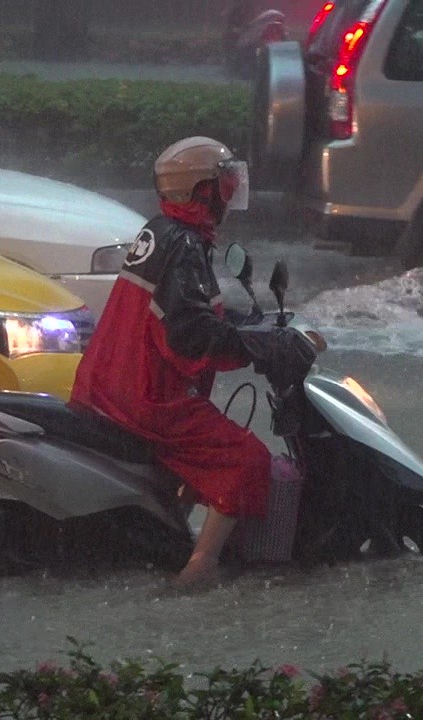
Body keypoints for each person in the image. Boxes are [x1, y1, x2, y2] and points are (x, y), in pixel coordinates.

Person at [69, 136, 312, 587]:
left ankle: (172, 537)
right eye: (223, 182)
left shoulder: (161, 231)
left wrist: (245, 328)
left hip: (107, 384)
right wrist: (261, 349)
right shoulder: (183, 247)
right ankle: (200, 571)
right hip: (147, 399)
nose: (231, 190)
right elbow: (189, 336)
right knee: (247, 459)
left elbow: (186, 312)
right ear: (201, 191)